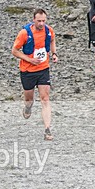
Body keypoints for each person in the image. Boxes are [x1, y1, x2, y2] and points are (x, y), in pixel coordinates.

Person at [11, 8, 58, 141]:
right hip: (27, 71)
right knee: (29, 99)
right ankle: (27, 107)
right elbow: (14, 51)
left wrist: (54, 54)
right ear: (33, 20)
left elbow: (52, 40)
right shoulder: (24, 33)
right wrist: (29, 59)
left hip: (43, 69)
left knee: (45, 98)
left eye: (44, 21)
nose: (42, 24)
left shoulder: (49, 31)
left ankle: (47, 130)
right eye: (39, 21)